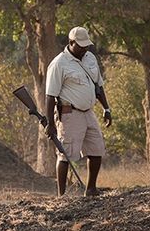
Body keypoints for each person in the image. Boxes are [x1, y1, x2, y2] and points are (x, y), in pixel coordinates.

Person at [45, 27, 113, 196]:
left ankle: (91, 189)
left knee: (97, 149)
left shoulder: (90, 58)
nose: (84, 49)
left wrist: (106, 108)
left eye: (86, 45)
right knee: (66, 154)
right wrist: (50, 124)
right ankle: (61, 195)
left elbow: (98, 85)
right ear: (71, 43)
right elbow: (50, 96)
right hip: (69, 113)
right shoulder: (59, 64)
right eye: (81, 46)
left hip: (89, 112)